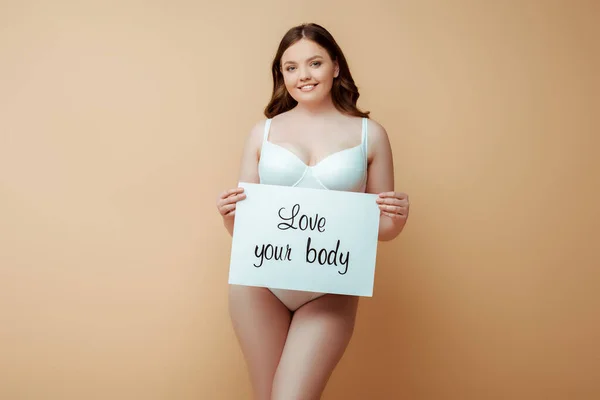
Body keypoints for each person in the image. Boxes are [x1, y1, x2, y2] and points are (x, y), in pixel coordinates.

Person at [216, 23, 410, 400]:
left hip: (329, 289)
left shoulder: (371, 134)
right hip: (259, 285)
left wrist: (396, 216)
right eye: (291, 68)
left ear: (336, 66)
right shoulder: (263, 133)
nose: (303, 76)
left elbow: (384, 227)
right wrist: (228, 214)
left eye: (314, 63)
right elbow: (245, 228)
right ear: (281, 75)